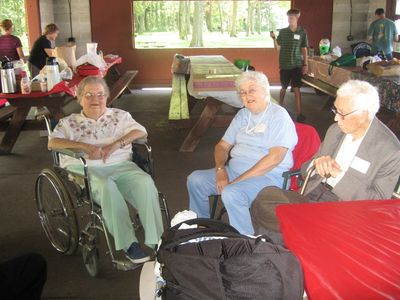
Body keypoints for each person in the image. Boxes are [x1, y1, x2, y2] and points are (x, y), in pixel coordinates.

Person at [251, 80, 400, 234]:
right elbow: (304, 170)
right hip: (314, 193)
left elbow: (377, 204)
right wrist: (316, 165)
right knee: (263, 200)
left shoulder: (390, 151)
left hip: (344, 209)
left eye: (342, 113)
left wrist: (339, 175)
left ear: (364, 114)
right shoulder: (336, 130)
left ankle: (294, 235)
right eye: (336, 110)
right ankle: (300, 230)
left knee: (276, 221)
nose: (336, 119)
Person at [48, 76, 163, 263]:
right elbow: (53, 143)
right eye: (89, 95)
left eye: (101, 94)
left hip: (122, 165)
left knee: (145, 182)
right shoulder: (69, 122)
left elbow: (141, 131)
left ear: (107, 97)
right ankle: (129, 244)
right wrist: (85, 147)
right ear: (79, 98)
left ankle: (156, 241)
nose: (96, 99)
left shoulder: (120, 115)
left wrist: (117, 144)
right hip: (86, 169)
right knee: (106, 187)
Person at [187, 71, 298, 235]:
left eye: (252, 90)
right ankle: (202, 230)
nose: (247, 96)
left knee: (232, 193)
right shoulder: (243, 115)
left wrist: (236, 181)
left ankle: (244, 242)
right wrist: (220, 170)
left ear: (265, 90)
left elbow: (275, 158)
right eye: (243, 92)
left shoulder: (278, 115)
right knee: (195, 180)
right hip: (235, 171)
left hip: (269, 176)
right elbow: (222, 146)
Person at [270, 8, 308, 122]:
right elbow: (277, 48)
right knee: (283, 89)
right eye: (288, 17)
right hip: (285, 64)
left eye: (291, 18)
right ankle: (279, 109)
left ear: (297, 18)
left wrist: (305, 64)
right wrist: (273, 38)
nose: (289, 20)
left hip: (297, 64)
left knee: (297, 89)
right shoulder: (283, 32)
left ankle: (299, 114)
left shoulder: (302, 32)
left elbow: (304, 49)